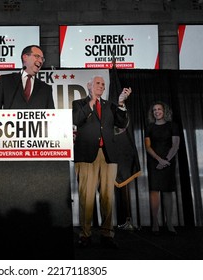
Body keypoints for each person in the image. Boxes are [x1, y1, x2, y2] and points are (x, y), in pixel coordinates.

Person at [72, 75, 131, 249]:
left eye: (103, 84)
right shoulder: (79, 104)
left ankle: (107, 234)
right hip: (86, 155)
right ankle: (85, 234)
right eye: (98, 83)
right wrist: (91, 102)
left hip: (108, 155)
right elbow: (76, 120)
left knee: (107, 197)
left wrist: (120, 103)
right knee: (86, 197)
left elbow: (121, 122)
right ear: (89, 85)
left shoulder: (110, 106)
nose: (101, 86)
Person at [145, 101, 179, 235]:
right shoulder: (149, 127)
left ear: (164, 111)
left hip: (168, 161)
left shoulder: (173, 126)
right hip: (154, 162)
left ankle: (169, 222)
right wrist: (159, 160)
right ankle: (155, 222)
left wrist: (165, 161)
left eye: (159, 109)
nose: (157, 111)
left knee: (167, 192)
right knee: (154, 191)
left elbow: (175, 145)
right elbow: (148, 146)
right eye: (154, 110)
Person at [0, 44, 54, 110]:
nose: (40, 61)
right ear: (25, 57)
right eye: (37, 56)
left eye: (42, 59)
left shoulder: (46, 89)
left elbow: (52, 115)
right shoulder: (5, 81)